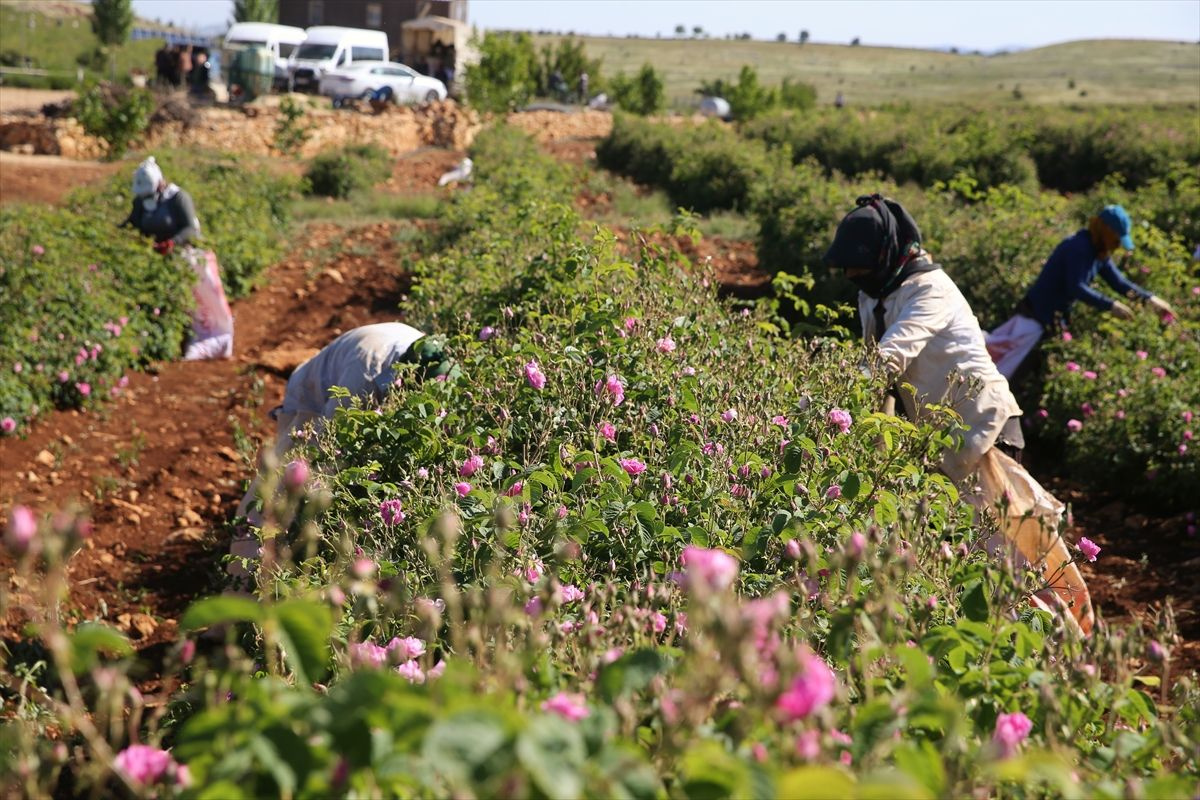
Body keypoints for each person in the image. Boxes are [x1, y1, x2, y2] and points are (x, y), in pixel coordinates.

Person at [824, 194, 1094, 634]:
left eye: (860, 266)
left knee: (1005, 559)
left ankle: (1061, 654)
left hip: (984, 430)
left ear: (887, 255)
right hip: (941, 443)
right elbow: (882, 382)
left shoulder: (930, 289)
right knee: (967, 559)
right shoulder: (872, 293)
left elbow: (890, 356)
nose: (854, 275)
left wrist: (822, 402)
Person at [229, 324, 455, 575]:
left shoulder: (435, 355)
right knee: (284, 482)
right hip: (311, 396)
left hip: (356, 368)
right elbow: (331, 440)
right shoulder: (365, 375)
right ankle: (248, 567)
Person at [987, 205, 1175, 381]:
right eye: (1116, 239)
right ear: (1106, 231)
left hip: (1049, 320)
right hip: (1035, 318)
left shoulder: (1098, 252)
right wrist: (1111, 305)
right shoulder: (1079, 247)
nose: (1117, 246)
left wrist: (1150, 300)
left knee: (1014, 367)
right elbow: (1075, 287)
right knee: (1002, 369)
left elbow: (1119, 283)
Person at [120, 157, 234, 360]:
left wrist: (172, 242)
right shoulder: (140, 203)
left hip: (185, 256)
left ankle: (208, 338)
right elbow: (132, 224)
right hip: (154, 258)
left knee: (197, 301)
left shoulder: (178, 198)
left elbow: (190, 228)